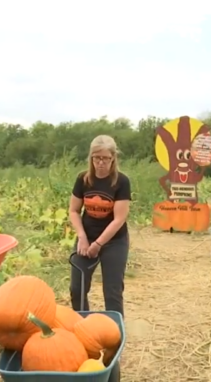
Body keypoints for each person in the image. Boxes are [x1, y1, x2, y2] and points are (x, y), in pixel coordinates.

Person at [68, 135, 131, 317]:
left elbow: (118, 219)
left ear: (113, 159)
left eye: (105, 158)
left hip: (114, 241)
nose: (101, 163)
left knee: (112, 290)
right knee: (77, 288)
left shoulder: (121, 181)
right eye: (97, 158)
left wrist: (98, 244)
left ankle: (114, 333)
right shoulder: (83, 179)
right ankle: (83, 326)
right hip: (87, 237)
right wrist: (82, 238)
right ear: (91, 158)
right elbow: (74, 210)